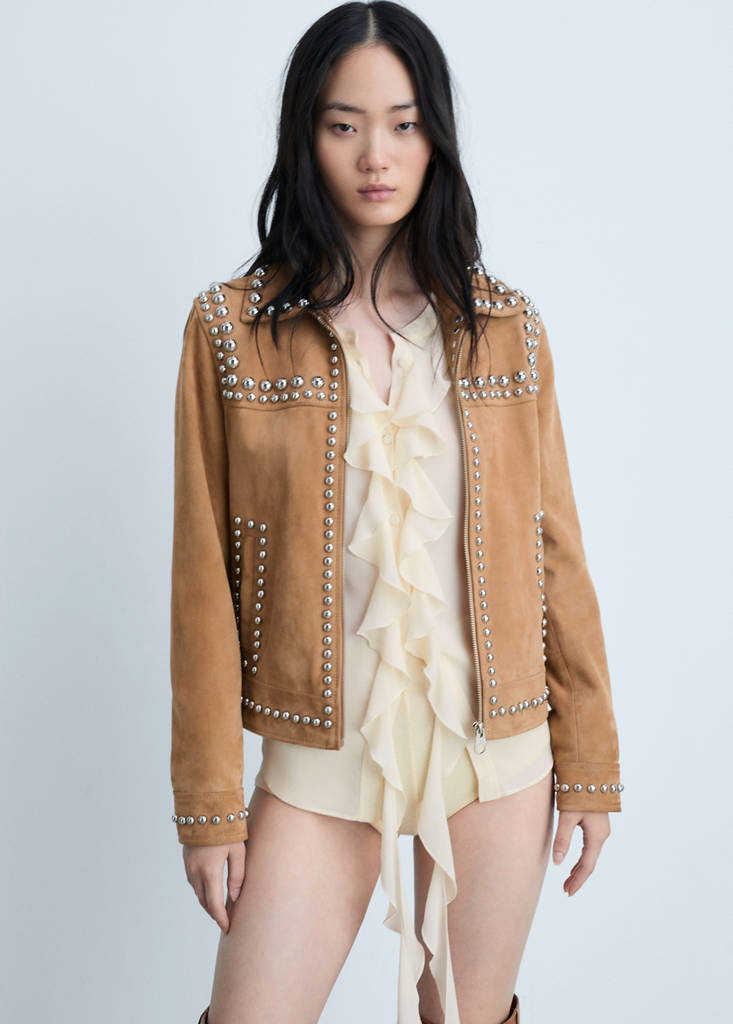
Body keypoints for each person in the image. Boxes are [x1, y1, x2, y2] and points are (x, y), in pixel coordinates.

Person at [168, 4, 624, 1023]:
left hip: (497, 755)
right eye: (344, 124)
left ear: (435, 137)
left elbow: (554, 550)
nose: (376, 155)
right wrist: (208, 806)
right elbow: (200, 580)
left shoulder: (506, 328)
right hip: (319, 764)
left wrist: (591, 764)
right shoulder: (231, 333)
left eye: (404, 124)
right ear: (306, 136)